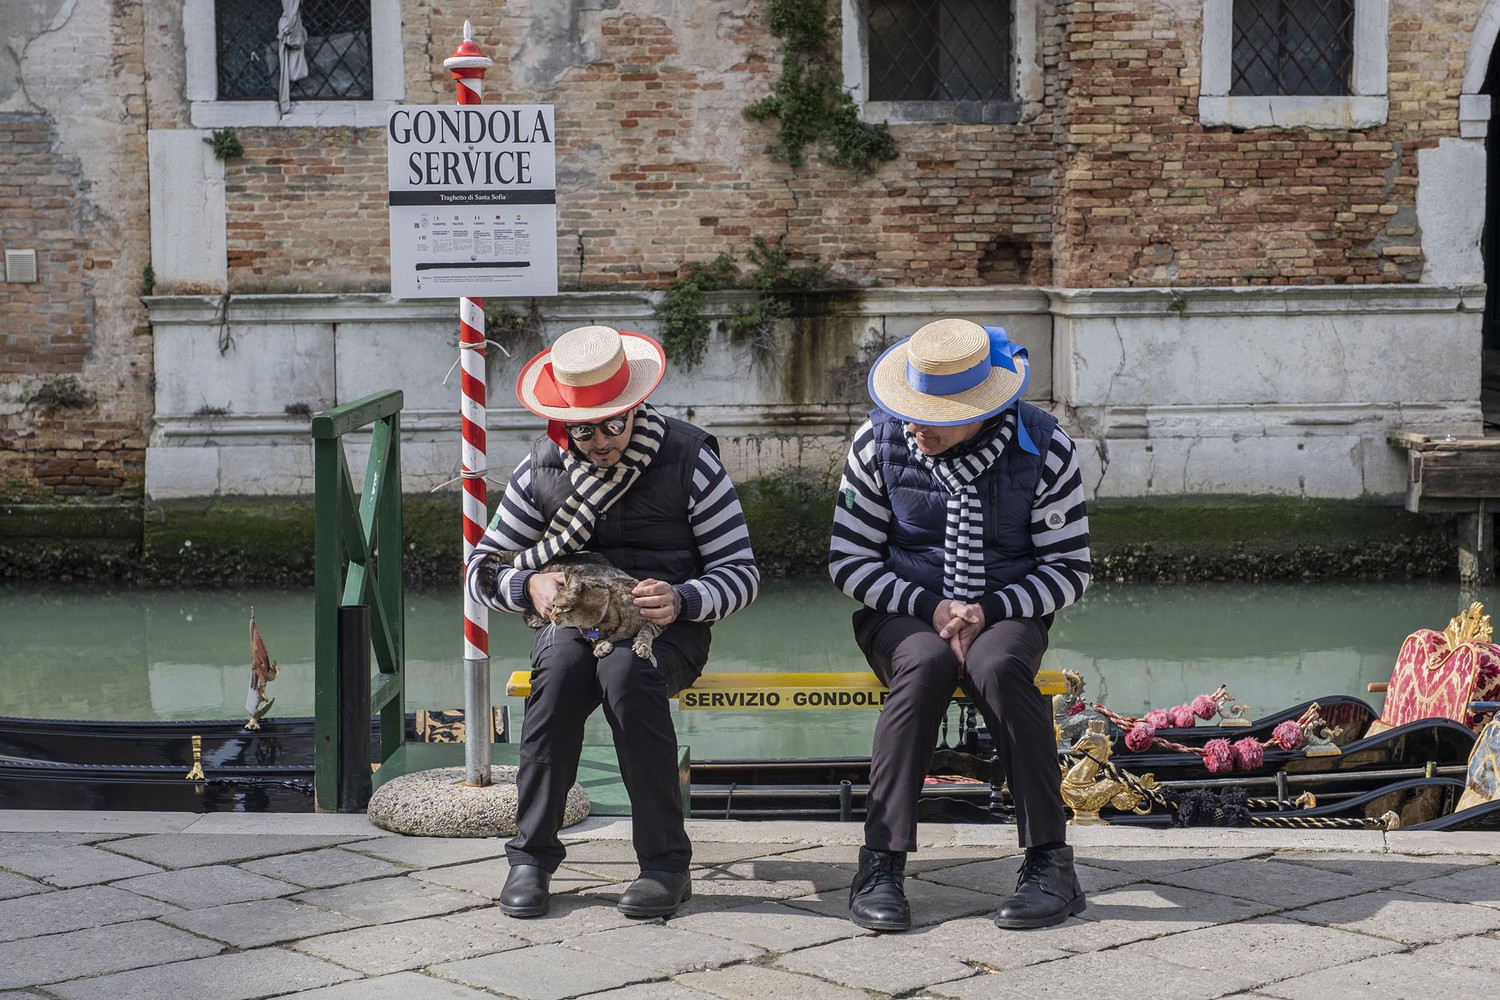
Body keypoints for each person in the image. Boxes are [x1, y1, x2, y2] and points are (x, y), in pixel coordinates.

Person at [465, 324, 760, 919]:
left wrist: (683, 598)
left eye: (612, 425)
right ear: (563, 424)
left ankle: (665, 866)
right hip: (576, 620)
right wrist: (529, 584)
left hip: (670, 627)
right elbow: (480, 569)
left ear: (635, 408)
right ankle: (530, 858)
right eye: (584, 429)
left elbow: (742, 573)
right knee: (558, 678)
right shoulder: (541, 468)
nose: (600, 441)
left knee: (628, 673)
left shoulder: (690, 459)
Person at [828, 317, 1091, 932]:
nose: (914, 425)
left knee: (996, 666)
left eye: (932, 415)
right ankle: (881, 862)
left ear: (979, 409)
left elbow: (1069, 570)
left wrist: (987, 610)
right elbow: (848, 562)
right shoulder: (879, 443)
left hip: (1008, 606)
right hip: (901, 607)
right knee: (925, 665)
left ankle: (1051, 862)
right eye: (909, 409)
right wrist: (933, 608)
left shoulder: (1047, 447)